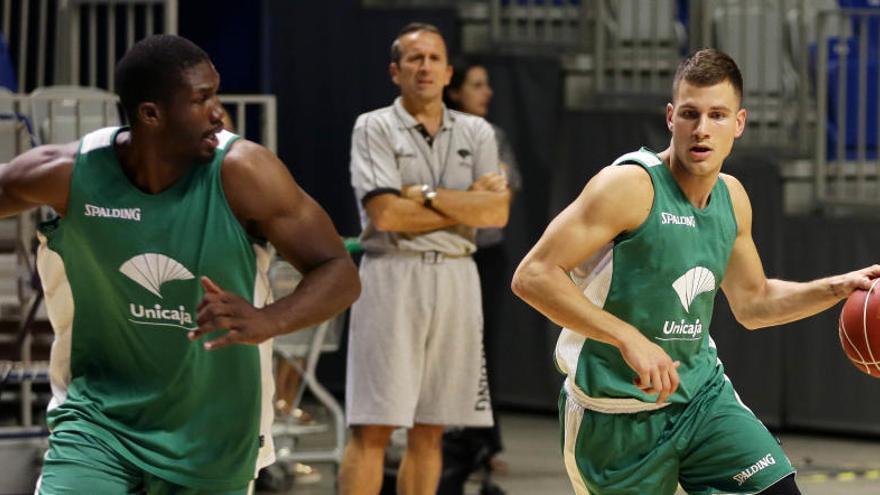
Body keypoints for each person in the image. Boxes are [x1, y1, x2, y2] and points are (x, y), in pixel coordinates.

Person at [511, 48, 880, 495]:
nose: (702, 129)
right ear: (671, 117)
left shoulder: (732, 198)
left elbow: (754, 302)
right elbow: (533, 275)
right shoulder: (628, 187)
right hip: (614, 413)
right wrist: (626, 337)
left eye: (717, 115)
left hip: (702, 399)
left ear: (739, 124)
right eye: (690, 113)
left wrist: (835, 288)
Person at [6, 34, 360, 493]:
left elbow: (339, 270)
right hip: (99, 421)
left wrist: (266, 320)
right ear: (151, 114)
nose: (218, 112)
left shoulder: (246, 173)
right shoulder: (72, 172)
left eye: (215, 93)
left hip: (214, 433)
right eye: (202, 99)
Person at [340, 22, 511, 495]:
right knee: (372, 427)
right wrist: (463, 204)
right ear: (395, 71)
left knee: (432, 426)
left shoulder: (477, 131)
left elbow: (496, 211)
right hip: (393, 274)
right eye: (414, 58)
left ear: (448, 71)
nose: (425, 67)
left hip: (458, 278)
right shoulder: (373, 126)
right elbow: (387, 214)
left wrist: (427, 195)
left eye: (434, 58)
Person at [443, 58, 521, 474]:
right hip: (442, 254)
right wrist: (461, 198)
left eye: (487, 83)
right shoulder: (437, 135)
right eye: (476, 84)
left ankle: (485, 442)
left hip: (484, 257)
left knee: (482, 347)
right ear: (454, 91)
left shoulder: (495, 137)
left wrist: (454, 201)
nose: (485, 92)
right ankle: (442, 439)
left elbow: (497, 207)